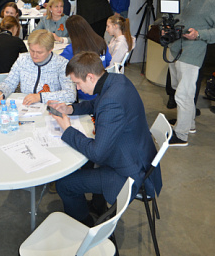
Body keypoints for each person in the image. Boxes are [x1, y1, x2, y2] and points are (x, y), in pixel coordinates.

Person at [48, 51, 162, 226]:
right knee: (85, 163)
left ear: (90, 77)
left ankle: (85, 224)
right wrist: (71, 109)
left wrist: (68, 130)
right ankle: (97, 205)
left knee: (64, 184)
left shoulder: (111, 102)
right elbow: (96, 104)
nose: (77, 88)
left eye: (77, 83)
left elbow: (98, 154)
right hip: (138, 154)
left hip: (128, 172)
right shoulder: (116, 80)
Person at [167, 0, 215, 146]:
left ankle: (181, 135)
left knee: (184, 94)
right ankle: (189, 123)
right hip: (174, 48)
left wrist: (199, 34)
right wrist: (165, 27)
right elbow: (170, 16)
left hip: (193, 51)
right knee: (177, 87)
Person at [0, 29, 76, 106]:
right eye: (31, 50)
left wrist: (40, 97)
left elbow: (70, 94)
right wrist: (1, 92)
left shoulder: (62, 64)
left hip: (51, 107)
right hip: (26, 106)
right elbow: (10, 82)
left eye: (39, 52)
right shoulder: (22, 59)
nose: (34, 55)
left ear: (50, 50)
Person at [61, 15, 111, 101]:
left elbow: (60, 65)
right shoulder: (101, 42)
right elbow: (108, 62)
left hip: (84, 92)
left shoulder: (71, 49)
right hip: (102, 89)